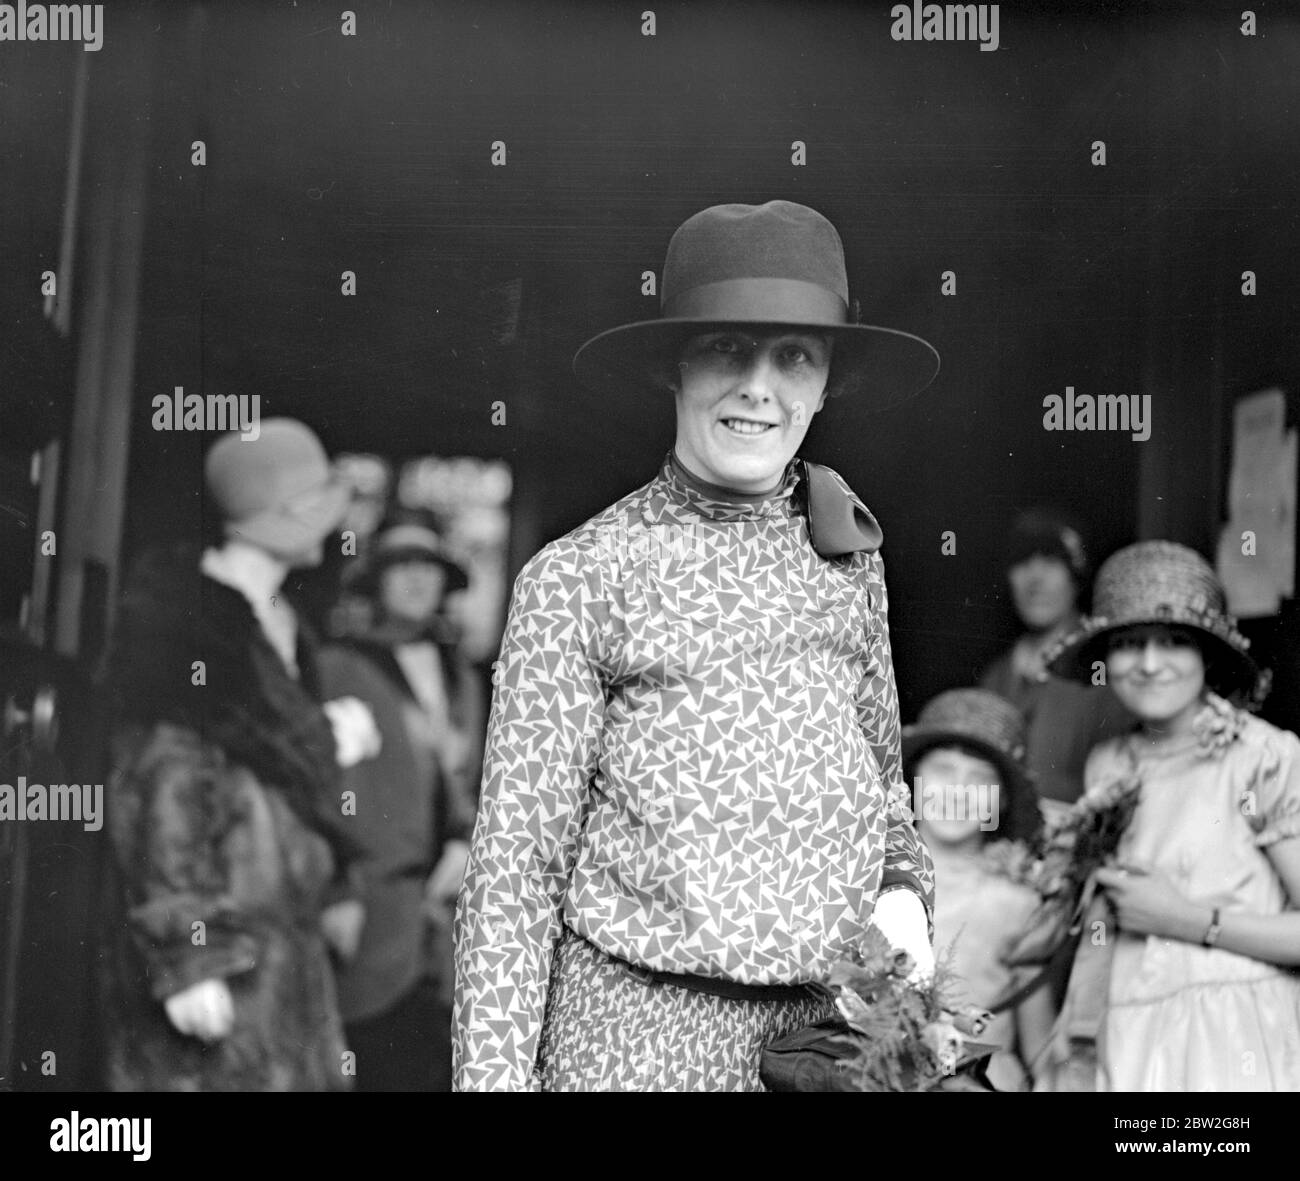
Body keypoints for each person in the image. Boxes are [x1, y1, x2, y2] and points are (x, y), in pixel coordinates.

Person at [453, 199, 941, 1092]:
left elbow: (885, 788)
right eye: (727, 348)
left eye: (794, 356)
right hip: (633, 1045)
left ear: (827, 381)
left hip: (821, 1051)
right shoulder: (583, 575)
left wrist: (906, 896)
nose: (760, 386)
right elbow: (515, 873)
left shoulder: (847, 560)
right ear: (671, 368)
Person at [101, 418, 380, 1091]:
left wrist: (337, 877)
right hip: (229, 948)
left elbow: (289, 778)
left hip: (276, 946)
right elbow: (162, 794)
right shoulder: (187, 632)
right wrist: (189, 956)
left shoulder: (273, 619)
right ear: (284, 518)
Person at [1036, 540, 1300, 1092]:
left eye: (1174, 642)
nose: (1151, 665)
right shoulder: (1109, 763)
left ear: (1207, 655)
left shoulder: (1262, 756)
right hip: (1126, 1029)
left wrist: (1190, 919)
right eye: (1130, 645)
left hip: (1231, 1040)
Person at [317, 509, 483, 1091]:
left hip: (446, 922)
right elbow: (324, 788)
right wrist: (337, 888)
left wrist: (466, 843)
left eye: (428, 568)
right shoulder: (339, 666)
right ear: (377, 582)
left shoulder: (461, 672)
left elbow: (473, 775)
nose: (416, 580)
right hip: (371, 911)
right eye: (400, 567)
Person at [901, 688, 1054, 1091]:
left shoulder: (1019, 902)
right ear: (912, 780)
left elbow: (1042, 1048)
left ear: (1001, 799)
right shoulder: (867, 880)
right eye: (943, 771)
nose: (958, 791)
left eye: (979, 779)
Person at [980, 508, 1132, 815]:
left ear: (1077, 575)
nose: (1035, 579)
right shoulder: (996, 676)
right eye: (1022, 562)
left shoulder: (1102, 672)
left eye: (1051, 561)